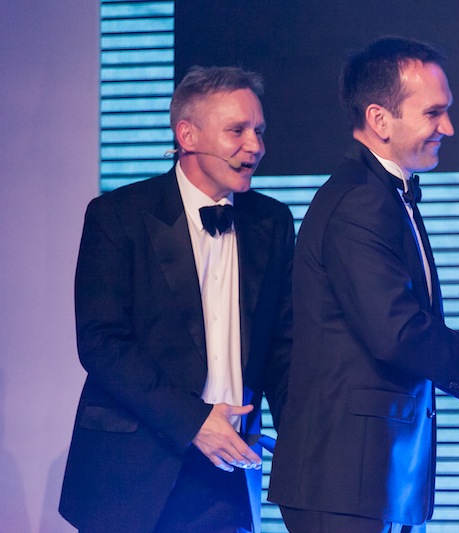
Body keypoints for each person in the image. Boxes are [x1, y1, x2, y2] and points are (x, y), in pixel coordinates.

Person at [267, 36, 459, 532]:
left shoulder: (382, 194)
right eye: (433, 113)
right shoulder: (360, 201)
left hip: (376, 480)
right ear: (380, 119)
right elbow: (396, 332)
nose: (448, 128)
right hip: (347, 482)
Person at [59, 66, 295, 533]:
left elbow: (282, 348)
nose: (255, 146)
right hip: (134, 473)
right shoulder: (118, 215)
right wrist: (194, 422)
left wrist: (302, 442)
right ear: (187, 135)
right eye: (237, 131)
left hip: (229, 476)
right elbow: (102, 344)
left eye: (259, 131)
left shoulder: (272, 222)